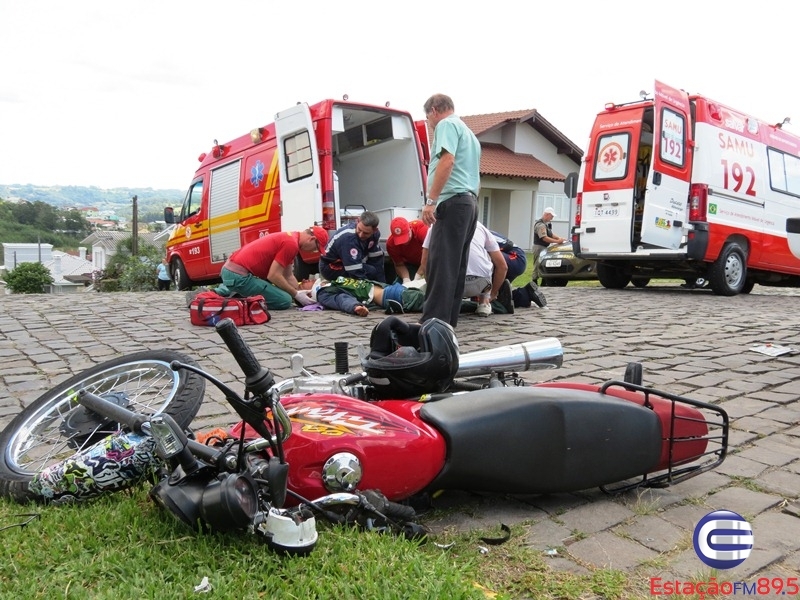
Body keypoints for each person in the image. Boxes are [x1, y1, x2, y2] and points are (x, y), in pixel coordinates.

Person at [420, 94, 481, 328]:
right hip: (469, 203)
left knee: (441, 265)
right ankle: (447, 324)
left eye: (428, 118)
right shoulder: (469, 133)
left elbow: (447, 161)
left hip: (452, 202)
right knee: (456, 267)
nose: (429, 123)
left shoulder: (446, 125)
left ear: (434, 110)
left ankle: (432, 324)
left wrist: (431, 200)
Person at [220, 227, 328, 310]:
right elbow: (273, 276)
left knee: (285, 295)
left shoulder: (292, 239)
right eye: (315, 248)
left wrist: (300, 292)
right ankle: (233, 300)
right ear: (312, 239)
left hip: (233, 273)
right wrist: (295, 294)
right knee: (284, 300)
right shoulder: (291, 244)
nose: (312, 251)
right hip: (238, 276)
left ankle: (225, 292)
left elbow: (288, 275)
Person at [421, 221, 513, 317]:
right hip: (481, 284)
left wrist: (432, 290)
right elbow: (503, 266)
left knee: (438, 256)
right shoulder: (480, 227)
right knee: (486, 256)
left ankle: (446, 304)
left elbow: (424, 261)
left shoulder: (436, 225)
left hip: (450, 286)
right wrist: (493, 294)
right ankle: (484, 302)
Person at [319, 210, 385, 283]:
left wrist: (382, 285)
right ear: (357, 221)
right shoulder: (348, 238)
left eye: (366, 233)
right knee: (370, 271)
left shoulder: (375, 235)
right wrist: (368, 288)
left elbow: (376, 261)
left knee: (374, 270)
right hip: (330, 266)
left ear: (375, 230)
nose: (361, 235)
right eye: (359, 230)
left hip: (349, 262)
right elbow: (355, 271)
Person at [385, 216, 428, 282]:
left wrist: (418, 275)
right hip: (411, 264)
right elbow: (399, 265)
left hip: (429, 261)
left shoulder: (422, 230)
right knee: (399, 285)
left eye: (406, 237)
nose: (404, 242)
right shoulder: (391, 244)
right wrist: (406, 278)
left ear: (410, 229)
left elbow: (430, 256)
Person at [532, 207, 566, 279]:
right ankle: (534, 280)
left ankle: (543, 280)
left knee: (543, 264)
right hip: (539, 247)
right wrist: (557, 241)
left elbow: (551, 234)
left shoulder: (545, 224)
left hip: (542, 247)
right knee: (538, 264)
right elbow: (544, 238)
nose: (552, 218)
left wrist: (559, 238)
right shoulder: (541, 225)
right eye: (552, 216)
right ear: (547, 215)